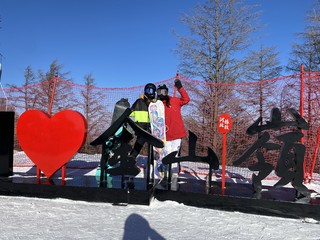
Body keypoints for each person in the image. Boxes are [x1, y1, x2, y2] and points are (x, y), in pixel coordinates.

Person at [157, 78, 190, 175]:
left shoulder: (174, 101)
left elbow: (186, 99)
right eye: (159, 92)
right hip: (165, 135)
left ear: (167, 92)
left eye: (164, 91)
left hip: (176, 133)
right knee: (166, 155)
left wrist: (180, 88)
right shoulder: (157, 105)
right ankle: (165, 174)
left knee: (174, 155)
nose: (161, 93)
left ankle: (174, 175)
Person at [130, 83, 157, 159]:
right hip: (141, 129)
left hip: (153, 129)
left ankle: (152, 162)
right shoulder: (139, 102)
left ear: (154, 92)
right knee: (138, 145)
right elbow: (130, 113)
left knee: (153, 147)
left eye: (150, 90)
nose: (148, 92)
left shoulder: (156, 103)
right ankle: (130, 159)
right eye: (147, 90)